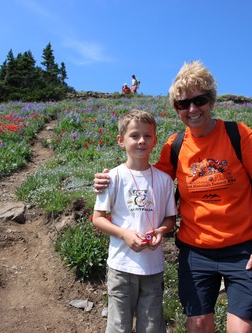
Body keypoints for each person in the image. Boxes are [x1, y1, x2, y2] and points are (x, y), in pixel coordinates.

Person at [94, 61, 252, 333]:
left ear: (211, 100)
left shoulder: (238, 134)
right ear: (176, 109)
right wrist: (108, 178)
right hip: (196, 251)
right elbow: (149, 179)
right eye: (183, 104)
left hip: (244, 250)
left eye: (199, 100)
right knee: (199, 325)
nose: (192, 109)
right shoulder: (175, 145)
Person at [92, 109, 177, 333]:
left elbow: (170, 218)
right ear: (121, 141)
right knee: (119, 326)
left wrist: (161, 230)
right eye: (134, 135)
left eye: (147, 136)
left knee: (151, 327)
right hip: (121, 266)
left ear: (155, 140)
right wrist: (125, 234)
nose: (141, 141)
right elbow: (98, 218)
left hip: (153, 268)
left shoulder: (165, 180)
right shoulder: (112, 178)